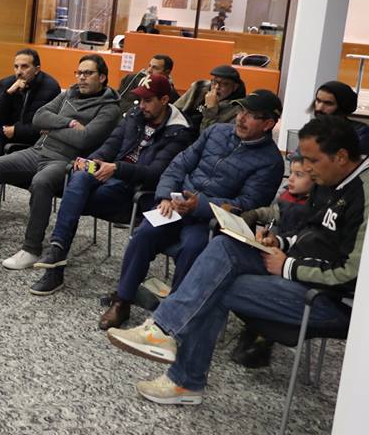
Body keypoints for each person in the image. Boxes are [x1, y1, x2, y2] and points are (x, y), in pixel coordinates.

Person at [107, 116, 365, 406]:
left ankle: (183, 376)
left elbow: (354, 273)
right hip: (294, 269)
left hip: (330, 298)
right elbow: (309, 232)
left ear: (341, 157)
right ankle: (163, 330)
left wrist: (287, 266)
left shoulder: (362, 194)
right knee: (224, 246)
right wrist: (279, 241)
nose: (306, 168)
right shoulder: (326, 179)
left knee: (216, 286)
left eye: (312, 160)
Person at [99, 89, 285, 330]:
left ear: (268, 124)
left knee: (193, 247)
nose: (241, 118)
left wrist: (201, 206)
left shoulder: (270, 162)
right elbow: (178, 165)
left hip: (212, 222)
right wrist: (166, 195)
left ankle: (169, 317)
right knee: (144, 233)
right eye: (241, 111)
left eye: (251, 115)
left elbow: (246, 205)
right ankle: (122, 300)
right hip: (176, 206)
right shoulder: (216, 132)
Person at [25, 74, 195, 295]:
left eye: (148, 100)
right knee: (81, 176)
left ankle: (55, 267)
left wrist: (116, 168)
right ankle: (57, 251)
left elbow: (156, 173)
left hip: (133, 191)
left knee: (73, 199)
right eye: (140, 100)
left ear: (164, 100)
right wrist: (93, 161)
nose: (141, 105)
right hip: (112, 176)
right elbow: (111, 144)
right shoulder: (134, 115)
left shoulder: (179, 131)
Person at [0, 54, 122, 270]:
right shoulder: (69, 93)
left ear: (102, 77)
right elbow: (38, 117)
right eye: (79, 73)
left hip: (66, 161)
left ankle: (31, 249)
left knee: (41, 182)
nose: (81, 77)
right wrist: (69, 123)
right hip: (38, 151)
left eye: (88, 73)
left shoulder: (110, 108)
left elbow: (85, 139)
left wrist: (51, 129)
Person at [228, 155, 315, 368]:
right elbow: (272, 214)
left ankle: (262, 340)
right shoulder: (287, 196)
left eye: (298, 175)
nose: (291, 179)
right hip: (275, 252)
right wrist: (254, 214)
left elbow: (303, 236)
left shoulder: (315, 207)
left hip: (295, 264)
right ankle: (251, 330)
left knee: (261, 289)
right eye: (291, 173)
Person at [0, 48, 61, 217]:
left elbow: (45, 126)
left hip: (36, 142)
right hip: (6, 134)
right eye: (16, 66)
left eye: (25, 67)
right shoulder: (7, 83)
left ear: (37, 69)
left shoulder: (50, 88)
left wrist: (17, 130)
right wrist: (8, 94)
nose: (19, 71)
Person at [173, 64, 246, 132]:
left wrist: (211, 109)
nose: (217, 87)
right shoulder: (199, 89)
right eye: (214, 82)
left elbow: (209, 135)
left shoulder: (237, 109)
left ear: (235, 87)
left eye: (224, 84)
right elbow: (174, 110)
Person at [308, 80, 369, 154]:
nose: (319, 108)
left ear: (342, 107)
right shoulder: (313, 128)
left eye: (328, 103)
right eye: (318, 101)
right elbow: (298, 156)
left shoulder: (360, 132)